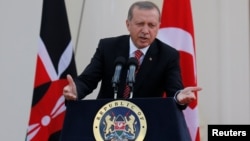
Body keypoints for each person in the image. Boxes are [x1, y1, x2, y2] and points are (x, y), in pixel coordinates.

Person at [63, 1, 202, 109]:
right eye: (140, 24)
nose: (145, 31)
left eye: (151, 25)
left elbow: (175, 91)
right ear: (128, 24)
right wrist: (76, 91)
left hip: (145, 123)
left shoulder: (168, 55)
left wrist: (179, 97)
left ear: (158, 26)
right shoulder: (108, 47)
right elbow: (88, 80)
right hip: (107, 119)